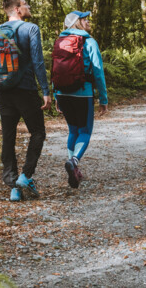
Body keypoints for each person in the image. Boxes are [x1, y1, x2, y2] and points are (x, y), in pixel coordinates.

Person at [0, 0, 51, 202]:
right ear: (18, 9)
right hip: (25, 90)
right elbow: (37, 62)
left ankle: (13, 186)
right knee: (38, 132)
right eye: (25, 3)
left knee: (8, 137)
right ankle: (26, 176)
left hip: (3, 91)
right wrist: (45, 90)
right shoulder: (31, 29)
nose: (28, 6)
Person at [53, 11, 108, 188]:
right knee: (85, 131)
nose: (88, 21)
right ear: (78, 23)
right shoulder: (89, 42)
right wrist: (103, 98)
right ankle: (74, 161)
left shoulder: (59, 41)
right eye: (85, 19)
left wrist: (56, 95)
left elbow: (54, 70)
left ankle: (73, 168)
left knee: (73, 131)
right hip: (83, 93)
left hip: (62, 93)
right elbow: (98, 72)